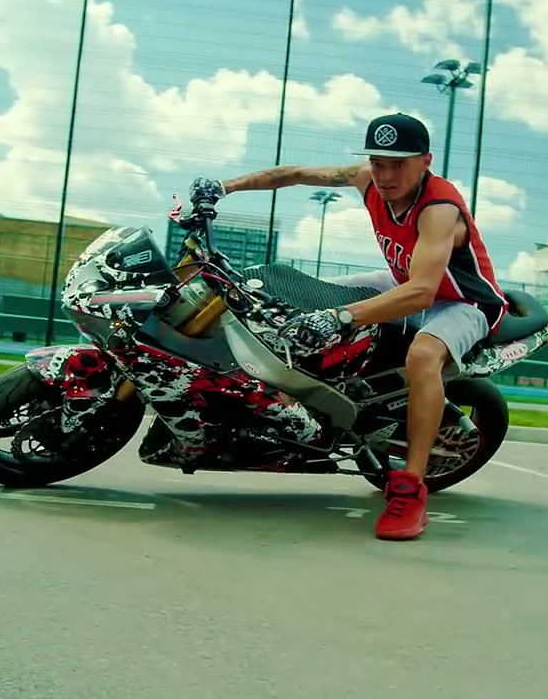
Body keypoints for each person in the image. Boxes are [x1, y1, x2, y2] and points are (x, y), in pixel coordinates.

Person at [188, 112, 508, 541]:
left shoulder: (439, 210)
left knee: (422, 356)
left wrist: (340, 317)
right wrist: (224, 186)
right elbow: (294, 174)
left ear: (425, 161)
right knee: (307, 295)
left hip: (463, 300)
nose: (386, 175)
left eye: (399, 164)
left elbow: (422, 293)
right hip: (403, 280)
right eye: (378, 162)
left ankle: (410, 489)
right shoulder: (366, 179)